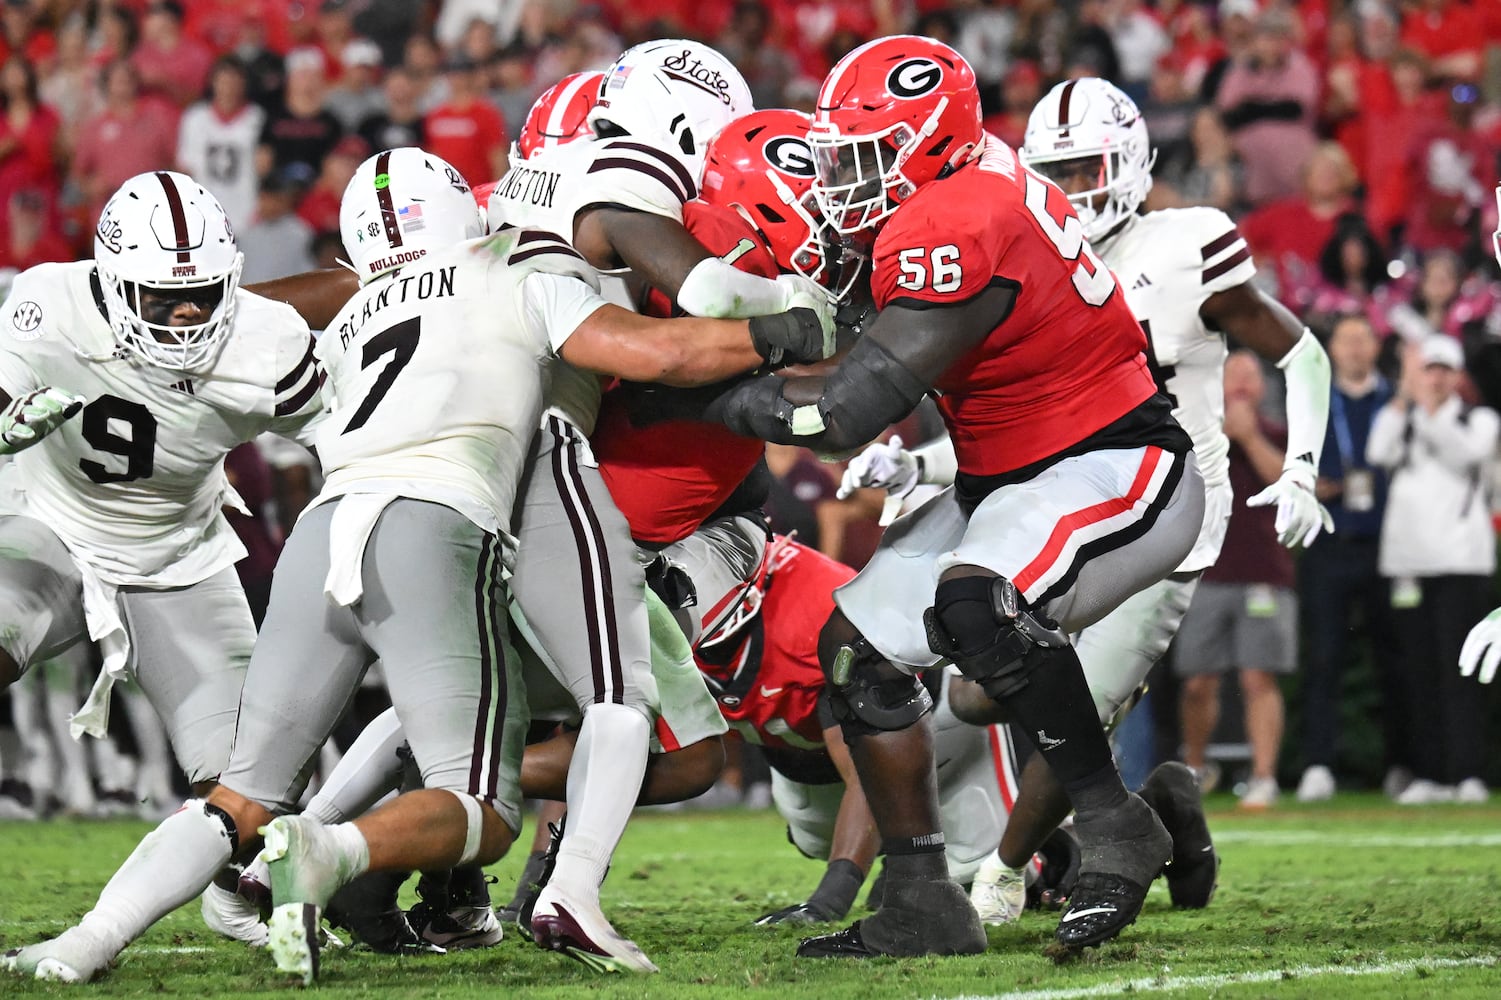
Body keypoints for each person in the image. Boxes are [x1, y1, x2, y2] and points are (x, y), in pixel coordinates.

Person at [0, 147, 824, 985]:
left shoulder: (350, 316)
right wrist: (778, 329)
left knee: (236, 800)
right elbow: (655, 353)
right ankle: (335, 852)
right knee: (486, 804)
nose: (184, 315)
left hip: (321, 533)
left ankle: (86, 943)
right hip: (431, 522)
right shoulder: (510, 265)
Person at [677, 36, 1206, 955]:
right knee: (855, 651)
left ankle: (1115, 821)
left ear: (927, 145)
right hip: (1006, 473)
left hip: (1113, 458)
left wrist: (690, 392)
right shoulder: (954, 188)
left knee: (975, 605)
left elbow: (849, 410)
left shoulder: (959, 215)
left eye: (864, 154)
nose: (843, 177)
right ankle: (921, 897)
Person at [848, 75, 1332, 911]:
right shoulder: (1017, 248)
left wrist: (1301, 467)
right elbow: (1015, 417)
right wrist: (918, 465)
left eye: (1086, 169)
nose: (1073, 191)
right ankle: (1161, 807)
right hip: (1056, 501)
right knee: (977, 685)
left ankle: (1007, 875)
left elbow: (1300, 351)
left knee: (1084, 693)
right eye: (1057, 172)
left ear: (1133, 163)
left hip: (1170, 507)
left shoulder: (1183, 248)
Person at [485, 39, 835, 971]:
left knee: (523, 708)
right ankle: (506, 842)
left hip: (528, 491)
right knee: (647, 733)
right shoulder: (616, 201)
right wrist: (797, 317)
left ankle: (433, 830)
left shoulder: (514, 214)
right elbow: (676, 345)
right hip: (571, 505)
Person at [0, 169, 325, 968]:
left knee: (259, 781)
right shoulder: (49, 305)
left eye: (205, 294)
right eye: (162, 297)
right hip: (51, 528)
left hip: (178, 562)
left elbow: (360, 443)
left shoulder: (268, 341)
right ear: (113, 285)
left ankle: (215, 889)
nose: (187, 313)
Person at [1369, 334, 1497, 805]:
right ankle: (1428, 774)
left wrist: (1424, 410)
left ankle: (1466, 773)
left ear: (1458, 376)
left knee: (1459, 672)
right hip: (1408, 563)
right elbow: (1378, 452)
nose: (1436, 378)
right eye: (1429, 369)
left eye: (1444, 369)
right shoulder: (1401, 415)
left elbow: (1464, 455)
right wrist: (1407, 402)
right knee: (1417, 673)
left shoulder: (1480, 420)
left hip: (1461, 563)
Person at [1173, 352, 1300, 809]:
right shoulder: (1195, 436)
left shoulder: (1281, 436)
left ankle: (1264, 777)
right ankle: (1193, 769)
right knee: (1196, 682)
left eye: (1252, 376)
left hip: (1265, 574)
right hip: (1204, 570)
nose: (1244, 385)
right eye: (1234, 376)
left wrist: (1247, 438)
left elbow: (1287, 485)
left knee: (1258, 678)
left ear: (1263, 390)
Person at [1295, 314, 1399, 802]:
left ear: (1376, 347)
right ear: (1331, 349)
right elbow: (1289, 456)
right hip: (1329, 542)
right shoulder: (1313, 399)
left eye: (1364, 339)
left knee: (1397, 660)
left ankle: (1402, 765)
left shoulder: (1398, 399)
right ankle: (1318, 764)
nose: (1356, 348)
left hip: (1391, 543)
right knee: (1324, 657)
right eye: (1346, 339)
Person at [176, 55, 265, 232]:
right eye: (223, 80)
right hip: (205, 217)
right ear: (212, 82)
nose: (229, 87)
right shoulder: (195, 118)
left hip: (247, 215)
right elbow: (185, 169)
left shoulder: (258, 118)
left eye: (234, 80)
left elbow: (264, 167)